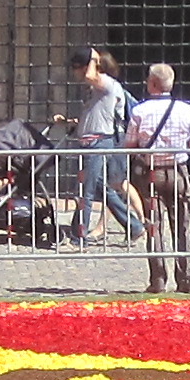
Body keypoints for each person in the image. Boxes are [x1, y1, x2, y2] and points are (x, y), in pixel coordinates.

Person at [124, 62, 190, 295]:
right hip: (178, 171)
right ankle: (184, 277)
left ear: (153, 84)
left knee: (154, 226)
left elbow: (129, 145)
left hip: (150, 174)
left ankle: (158, 279)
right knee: (180, 226)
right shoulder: (185, 110)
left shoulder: (139, 111)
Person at [68, 49, 141, 244]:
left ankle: (80, 235)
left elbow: (90, 74)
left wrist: (92, 57)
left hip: (98, 144)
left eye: (78, 69)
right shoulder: (95, 90)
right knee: (101, 188)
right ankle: (133, 226)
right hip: (90, 143)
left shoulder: (107, 84)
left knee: (88, 191)